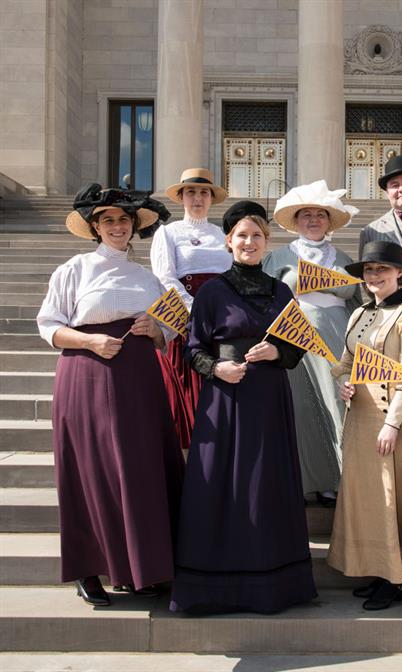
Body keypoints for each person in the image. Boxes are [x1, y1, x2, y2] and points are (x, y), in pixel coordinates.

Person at [37, 184, 185, 607]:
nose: (117, 226)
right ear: (95, 227)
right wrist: (90, 344)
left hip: (139, 379)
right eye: (108, 220)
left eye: (124, 220)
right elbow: (49, 325)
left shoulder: (149, 278)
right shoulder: (73, 269)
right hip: (86, 373)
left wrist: (156, 330)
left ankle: (142, 569)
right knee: (91, 471)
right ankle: (89, 571)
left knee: (139, 471)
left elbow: (170, 329)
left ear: (134, 226)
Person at [170, 201, 317, 615]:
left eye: (256, 235)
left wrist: (277, 351)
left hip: (269, 400)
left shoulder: (283, 290)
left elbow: (297, 345)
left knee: (265, 485)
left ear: (266, 241)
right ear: (228, 242)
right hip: (225, 400)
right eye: (241, 235)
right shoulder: (212, 292)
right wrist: (217, 368)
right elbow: (193, 349)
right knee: (222, 486)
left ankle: (274, 585)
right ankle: (214, 586)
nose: (249, 242)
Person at [327, 241, 402, 611]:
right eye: (369, 270)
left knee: (394, 496)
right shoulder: (358, 314)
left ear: (399, 273)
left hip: (396, 418)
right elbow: (344, 362)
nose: (374, 276)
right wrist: (343, 380)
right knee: (370, 499)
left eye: (382, 269)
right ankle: (377, 569)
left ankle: (397, 579)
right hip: (359, 416)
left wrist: (392, 424)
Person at [263, 180, 361, 506]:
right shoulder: (278, 257)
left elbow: (356, 298)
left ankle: (336, 479)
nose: (314, 220)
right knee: (299, 405)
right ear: (297, 220)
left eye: (320, 214)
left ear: (329, 220)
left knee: (336, 403)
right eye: (306, 214)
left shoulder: (344, 256)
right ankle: (301, 479)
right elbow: (269, 300)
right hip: (293, 335)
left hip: (335, 334)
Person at [150, 168, 230, 451]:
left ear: (211, 198)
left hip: (222, 322)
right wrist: (195, 311)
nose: (198, 198)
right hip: (185, 321)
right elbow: (164, 277)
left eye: (204, 192)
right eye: (191, 192)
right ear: (181, 197)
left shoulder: (223, 234)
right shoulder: (168, 233)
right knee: (186, 396)